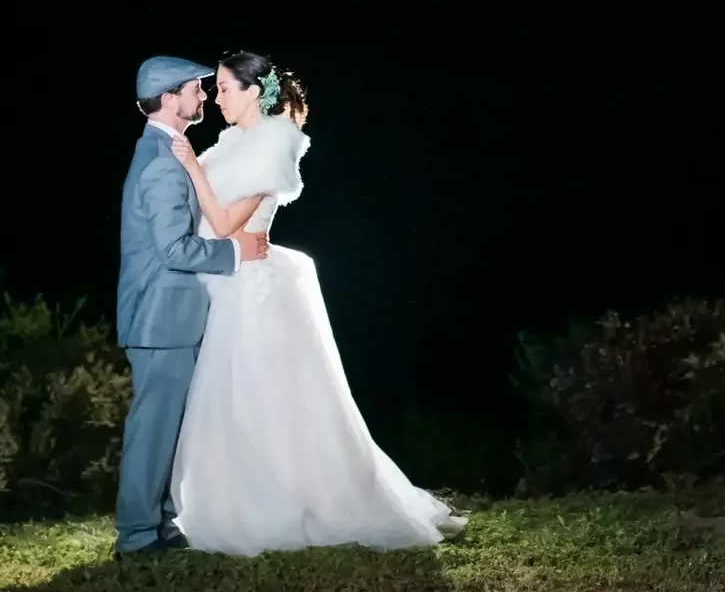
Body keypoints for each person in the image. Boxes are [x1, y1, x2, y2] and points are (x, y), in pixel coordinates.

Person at [167, 50, 465, 552]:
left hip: (250, 288)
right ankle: (232, 498)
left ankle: (281, 504)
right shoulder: (231, 142)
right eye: (215, 89)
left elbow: (224, 225)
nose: (217, 98)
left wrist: (194, 169)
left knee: (264, 401)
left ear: (254, 90)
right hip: (226, 281)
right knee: (235, 402)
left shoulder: (272, 145)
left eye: (224, 88)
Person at [114, 56, 270, 559]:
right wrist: (235, 251)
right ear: (168, 98)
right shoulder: (160, 162)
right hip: (160, 319)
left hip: (166, 318)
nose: (203, 96)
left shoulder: (165, 152)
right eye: (195, 89)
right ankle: (137, 537)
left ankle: (158, 524)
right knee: (153, 427)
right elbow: (172, 250)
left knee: (166, 427)